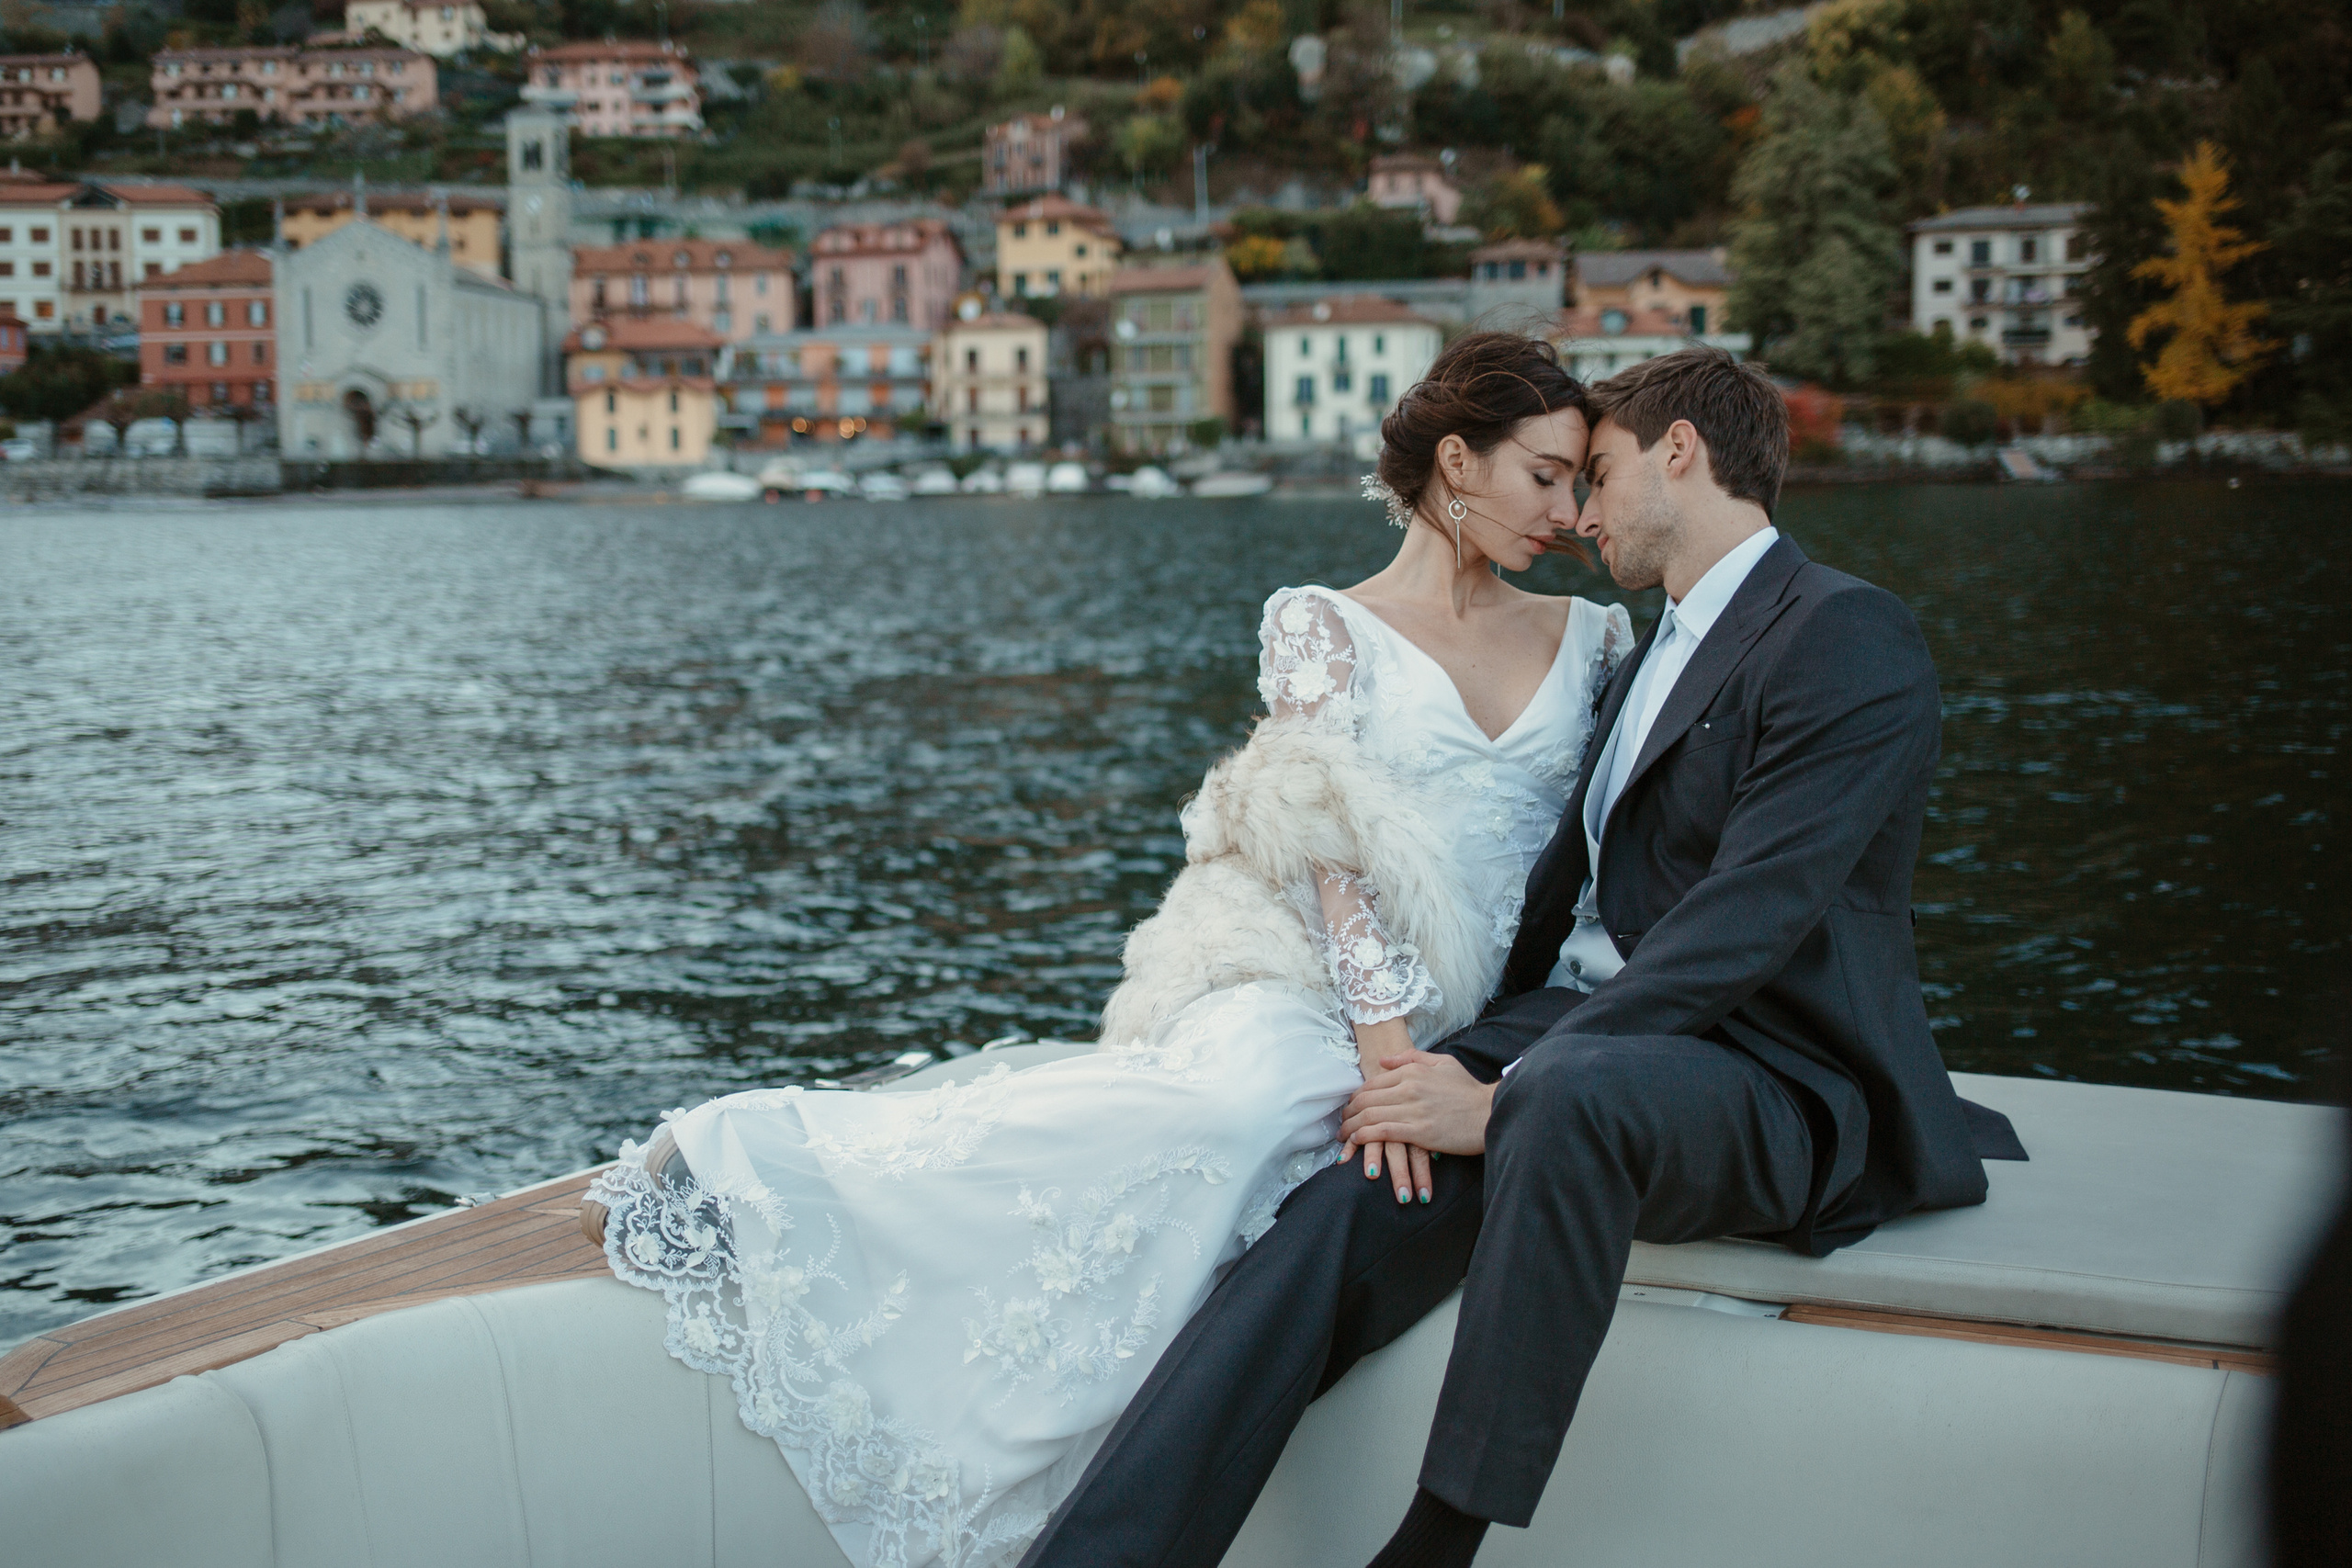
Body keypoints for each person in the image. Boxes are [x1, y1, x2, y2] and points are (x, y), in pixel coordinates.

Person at [577, 332, 1634, 1568]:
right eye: (1546, 476)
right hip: (1304, 972)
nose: (1567, 512)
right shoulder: (1323, 625)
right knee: (1264, 1109)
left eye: (1578, 484)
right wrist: (1387, 1041)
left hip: (1487, 1012)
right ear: (1459, 460)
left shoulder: (1596, 640)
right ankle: (756, 1156)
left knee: (1303, 1144)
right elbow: (1324, 845)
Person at [1014, 344, 2025, 1568]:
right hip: (1568, 1031)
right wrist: (1442, 1059)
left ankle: (1437, 1540)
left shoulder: (1847, 632)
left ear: (1681, 454)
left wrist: (1492, 1092)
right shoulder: (1646, 651)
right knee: (1345, 1201)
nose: (1580, 514)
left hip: (1763, 1067)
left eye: (1595, 477)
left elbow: (1750, 920)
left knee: (1564, 1097)